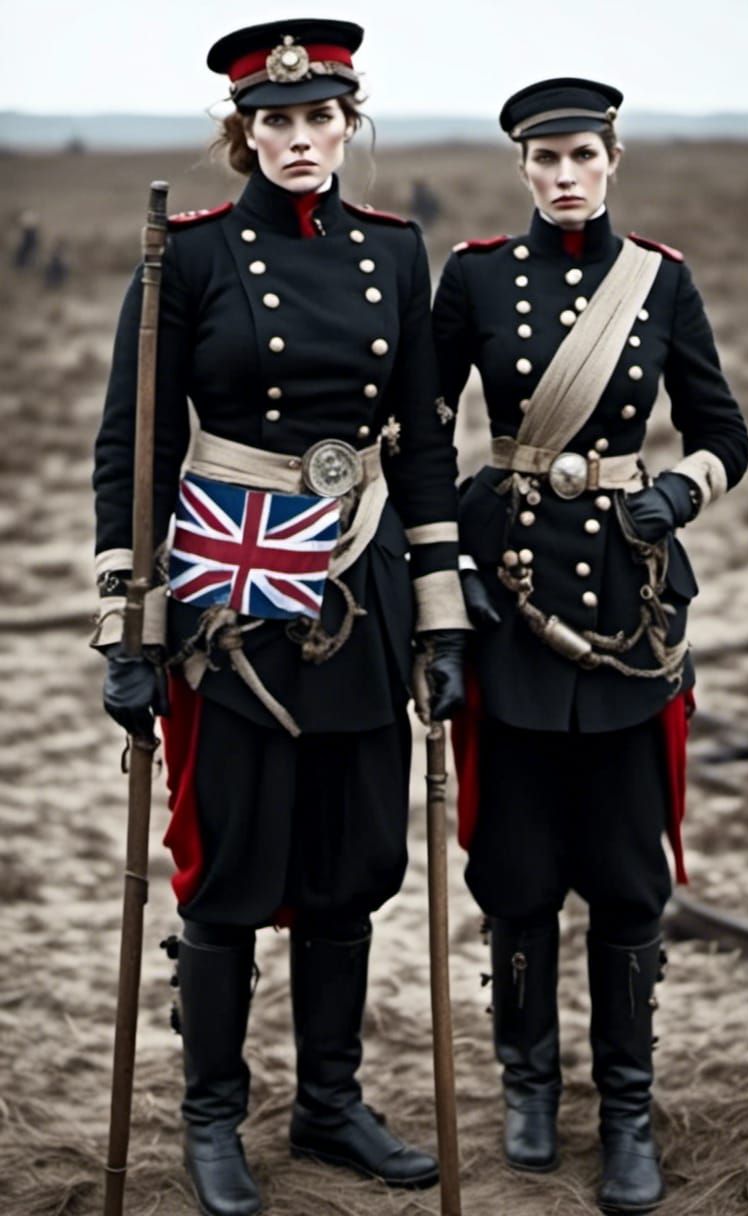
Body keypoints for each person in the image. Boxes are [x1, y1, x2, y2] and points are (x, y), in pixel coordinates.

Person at [92, 19, 469, 1216]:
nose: (301, 141)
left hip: (355, 593)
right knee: (230, 867)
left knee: (349, 864)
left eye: (320, 121)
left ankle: (329, 1103)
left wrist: (440, 616)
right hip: (228, 602)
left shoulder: (395, 253)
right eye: (276, 123)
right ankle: (211, 1117)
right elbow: (133, 450)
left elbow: (422, 444)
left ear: (346, 125)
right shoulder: (187, 260)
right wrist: (128, 622)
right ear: (241, 133)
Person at [433, 78, 748, 1214]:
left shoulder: (659, 282)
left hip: (626, 604)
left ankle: (625, 1105)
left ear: (612, 158)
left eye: (581, 155)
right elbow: (420, 428)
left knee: (625, 876)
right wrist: (445, 565)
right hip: (507, 599)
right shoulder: (472, 276)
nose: (563, 175)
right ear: (521, 168)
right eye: (543, 159)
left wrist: (678, 487)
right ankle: (527, 1081)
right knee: (515, 872)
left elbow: (725, 432)